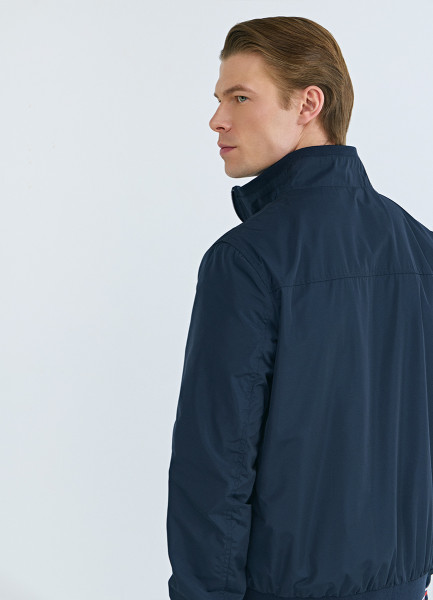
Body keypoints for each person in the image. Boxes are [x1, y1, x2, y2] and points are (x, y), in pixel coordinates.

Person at [166, 16, 433, 600]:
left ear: (309, 104)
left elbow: (216, 464)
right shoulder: (420, 247)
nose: (217, 119)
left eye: (240, 97)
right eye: (219, 99)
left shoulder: (245, 261)